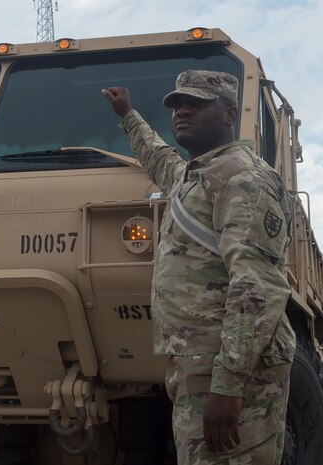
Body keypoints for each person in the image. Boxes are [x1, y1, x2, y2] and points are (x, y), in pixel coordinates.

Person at [101, 70, 295, 464]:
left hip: (232, 371)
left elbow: (256, 286)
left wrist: (227, 386)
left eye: (196, 103)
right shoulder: (196, 177)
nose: (182, 111)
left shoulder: (243, 178)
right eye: (176, 105)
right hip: (201, 366)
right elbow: (158, 158)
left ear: (228, 114)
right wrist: (128, 115)